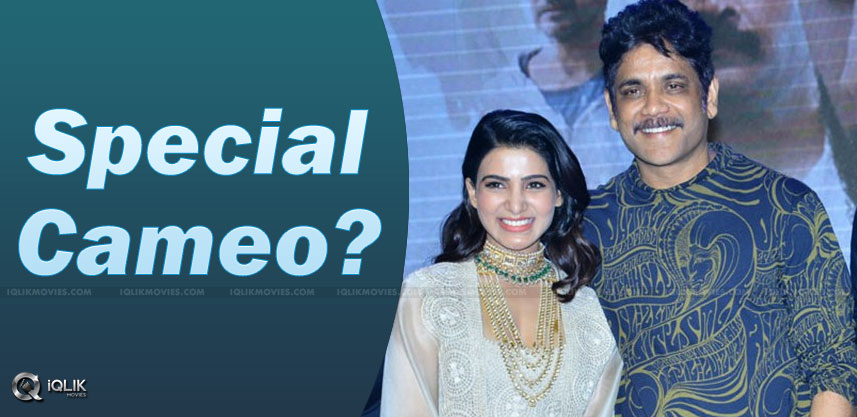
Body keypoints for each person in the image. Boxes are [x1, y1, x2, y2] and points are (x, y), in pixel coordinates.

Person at [583, 0, 857, 415]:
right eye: (633, 91)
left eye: (674, 85)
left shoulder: (785, 206)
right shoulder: (587, 227)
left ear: (709, 96)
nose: (653, 107)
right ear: (611, 110)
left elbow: (834, 369)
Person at [381, 110, 621, 416]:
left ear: (559, 194)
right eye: (497, 185)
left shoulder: (590, 313)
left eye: (534, 185)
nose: (515, 204)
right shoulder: (428, 296)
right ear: (473, 193)